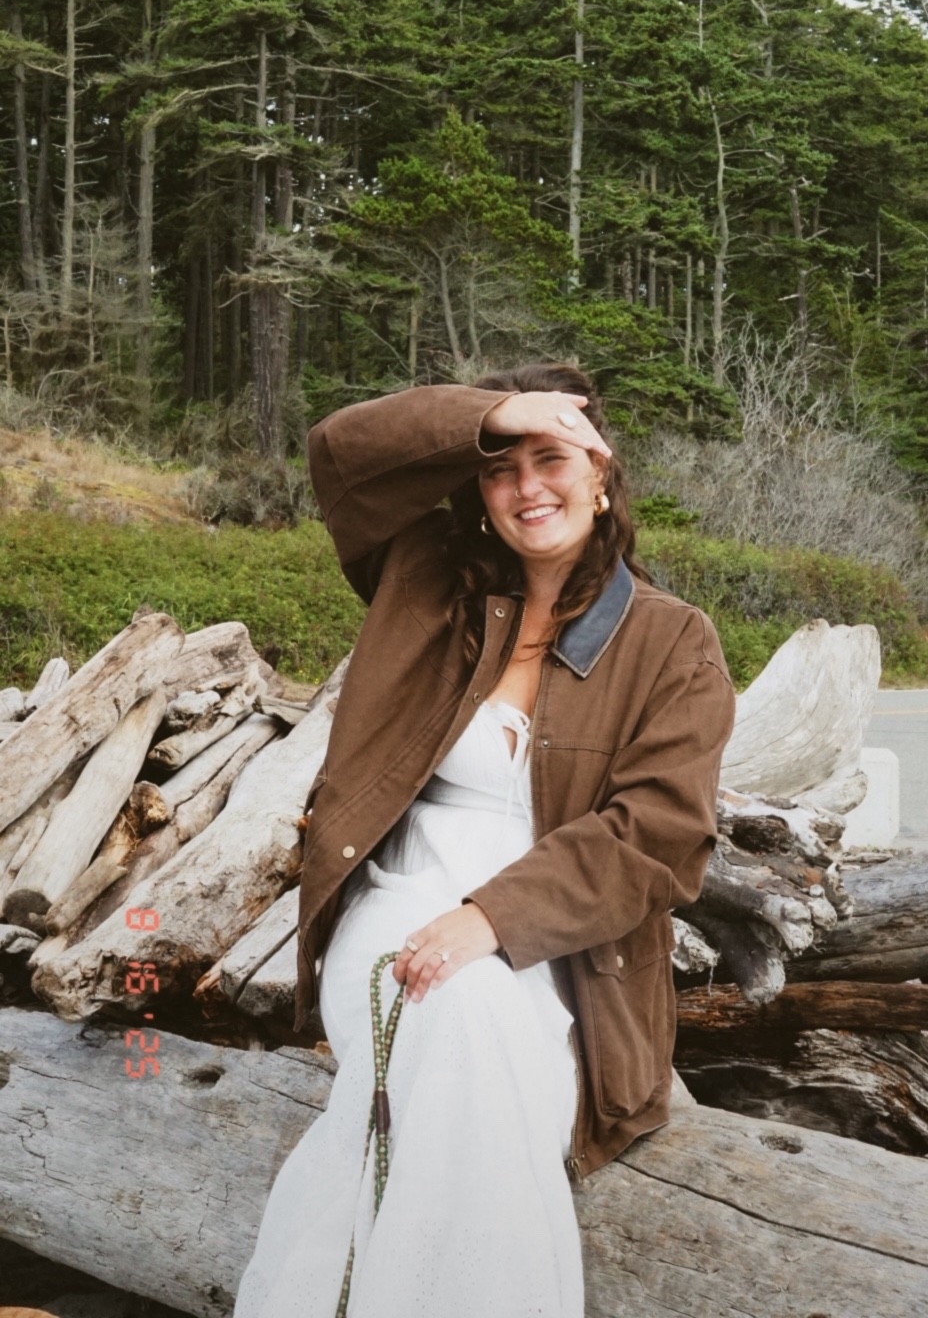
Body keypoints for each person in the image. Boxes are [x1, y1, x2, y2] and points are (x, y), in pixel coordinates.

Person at [232, 362, 736, 1318]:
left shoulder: (672, 640)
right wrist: (495, 413)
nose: (526, 488)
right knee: (451, 1013)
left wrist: (492, 919)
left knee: (469, 1031)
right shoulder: (425, 582)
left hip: (568, 958)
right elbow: (340, 454)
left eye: (552, 459)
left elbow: (660, 837)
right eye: (499, 467)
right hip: (396, 908)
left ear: (602, 473)